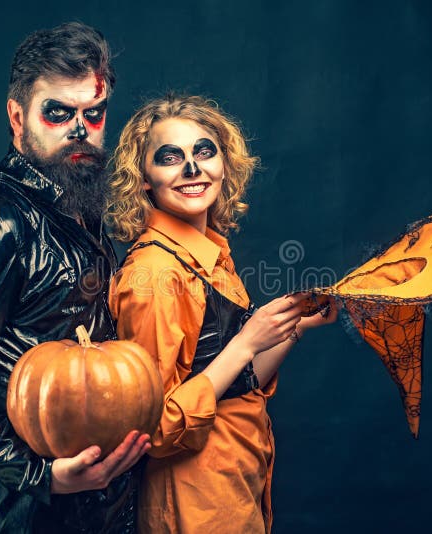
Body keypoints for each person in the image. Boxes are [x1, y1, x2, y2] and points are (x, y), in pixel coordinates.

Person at [0, 22, 150, 534]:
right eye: (58, 113)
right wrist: (40, 476)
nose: (79, 130)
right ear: (17, 116)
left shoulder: (80, 208)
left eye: (93, 114)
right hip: (25, 512)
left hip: (102, 504)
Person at [106, 94, 337, 533]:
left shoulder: (209, 253)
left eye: (204, 151)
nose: (192, 169)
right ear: (143, 179)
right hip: (193, 500)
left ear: (225, 164)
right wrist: (248, 339)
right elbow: (154, 428)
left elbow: (235, 383)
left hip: (235, 482)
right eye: (170, 157)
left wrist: (292, 327)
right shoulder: (154, 273)